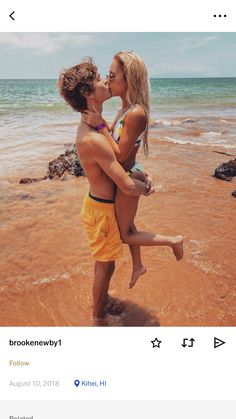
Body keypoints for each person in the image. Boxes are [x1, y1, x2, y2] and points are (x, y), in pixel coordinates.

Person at [57, 58, 153, 323]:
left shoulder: (95, 125)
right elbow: (123, 184)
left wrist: (140, 171)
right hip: (101, 210)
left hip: (99, 206)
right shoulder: (92, 137)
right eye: (100, 79)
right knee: (105, 268)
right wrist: (144, 187)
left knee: (105, 264)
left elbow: (120, 153)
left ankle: (102, 303)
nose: (105, 82)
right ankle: (98, 317)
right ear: (89, 94)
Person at [82, 51, 184, 289]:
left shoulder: (136, 113)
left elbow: (119, 154)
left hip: (127, 176)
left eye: (112, 75)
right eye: (106, 76)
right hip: (128, 172)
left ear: (129, 78)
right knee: (128, 225)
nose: (107, 81)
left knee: (124, 234)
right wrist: (102, 123)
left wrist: (99, 125)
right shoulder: (125, 108)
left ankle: (173, 240)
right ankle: (138, 265)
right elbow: (118, 140)